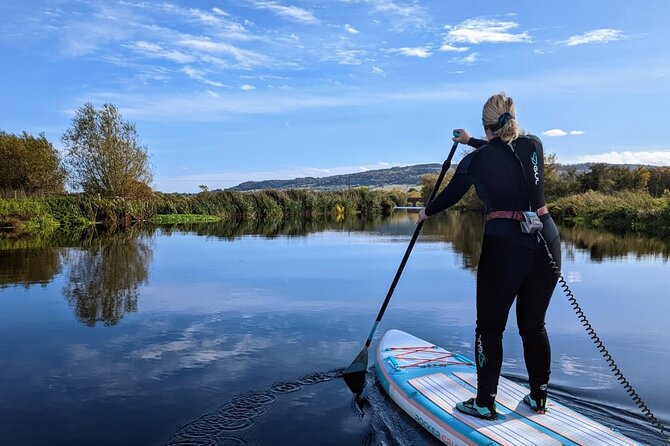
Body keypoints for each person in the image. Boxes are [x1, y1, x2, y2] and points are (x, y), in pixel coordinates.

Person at [416, 92, 561, 421]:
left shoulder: (476, 162)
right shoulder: (534, 146)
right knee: (534, 324)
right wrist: (472, 141)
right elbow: (503, 153)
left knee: (490, 327)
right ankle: (539, 398)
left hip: (505, 245)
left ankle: (485, 402)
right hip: (547, 239)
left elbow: (451, 195)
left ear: (487, 124)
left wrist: (427, 211)